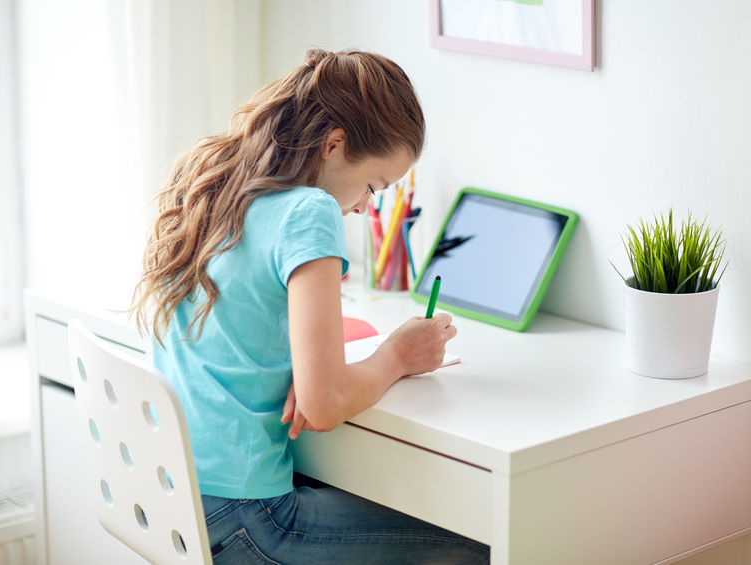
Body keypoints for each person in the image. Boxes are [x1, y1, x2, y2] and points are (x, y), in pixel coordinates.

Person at [131, 48, 490, 564]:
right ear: (335, 144)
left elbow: (244, 317)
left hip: (171, 501)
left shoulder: (218, 182)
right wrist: (398, 355)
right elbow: (322, 408)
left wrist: (312, 364)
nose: (366, 206)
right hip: (245, 518)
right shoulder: (309, 210)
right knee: (482, 543)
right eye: (372, 186)